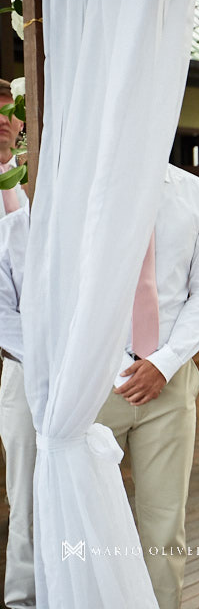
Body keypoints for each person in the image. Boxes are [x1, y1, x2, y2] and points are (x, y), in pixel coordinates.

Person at [95, 164, 199, 609]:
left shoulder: (198, 195)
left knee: (165, 522)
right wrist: (108, 364)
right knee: (88, 519)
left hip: (169, 382)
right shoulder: (86, 184)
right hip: (93, 383)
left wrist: (164, 363)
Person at [0, 77, 34, 608]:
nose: (7, 120)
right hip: (19, 353)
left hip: (28, 356)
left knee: (30, 484)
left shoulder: (24, 185)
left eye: (12, 113)